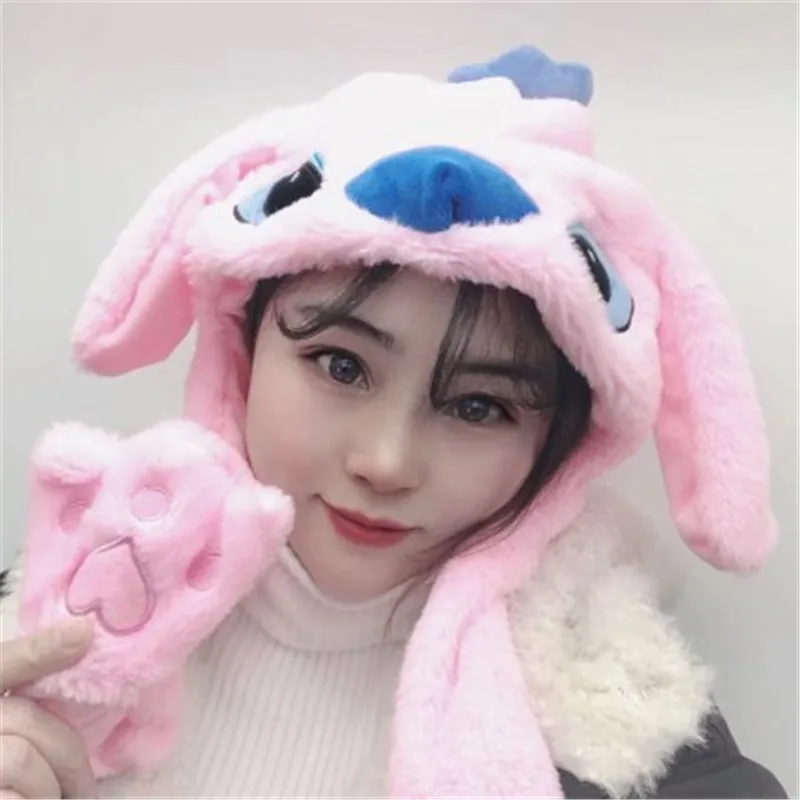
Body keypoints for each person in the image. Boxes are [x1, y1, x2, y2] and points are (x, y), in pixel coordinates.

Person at [0, 46, 789, 799]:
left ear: (559, 445)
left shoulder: (618, 717)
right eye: (340, 366)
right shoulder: (52, 626)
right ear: (241, 351)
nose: (387, 461)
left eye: (479, 406)